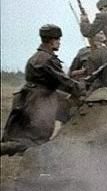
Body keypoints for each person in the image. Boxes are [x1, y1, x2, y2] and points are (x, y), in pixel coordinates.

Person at [1, 25, 85, 154]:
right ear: (52, 41)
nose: (59, 43)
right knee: (36, 140)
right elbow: (62, 81)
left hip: (32, 98)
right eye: (58, 39)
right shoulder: (47, 59)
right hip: (40, 101)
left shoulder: (37, 56)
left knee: (30, 137)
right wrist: (81, 88)